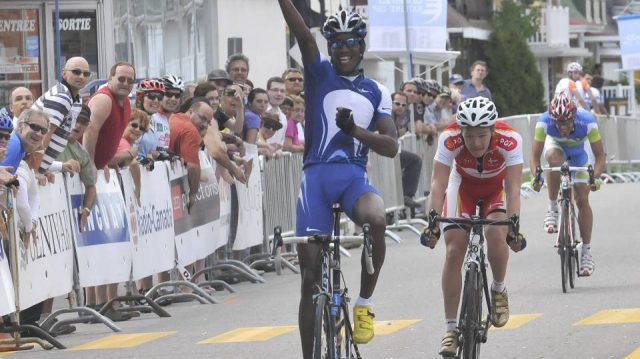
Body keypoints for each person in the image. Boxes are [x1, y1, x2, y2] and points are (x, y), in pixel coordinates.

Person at [278, 3, 399, 357]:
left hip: (353, 181)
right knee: (309, 279)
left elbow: (391, 146)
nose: (343, 49)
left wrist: (356, 131)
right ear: (329, 46)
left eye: (350, 42)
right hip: (314, 181)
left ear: (362, 46)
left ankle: (363, 304)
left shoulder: (376, 90)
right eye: (337, 43)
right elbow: (301, 32)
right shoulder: (317, 73)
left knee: (377, 218)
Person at [421, 97, 526, 357]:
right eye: (469, 136)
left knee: (495, 232)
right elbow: (438, 185)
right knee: (454, 250)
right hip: (463, 188)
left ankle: (499, 288)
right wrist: (432, 223)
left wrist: (514, 228)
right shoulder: (449, 138)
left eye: (482, 135)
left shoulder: (510, 139)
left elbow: (513, 189)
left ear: (493, 129)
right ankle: (450, 329)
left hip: (496, 189)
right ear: (461, 131)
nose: (476, 143)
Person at [529, 92, 604, 277]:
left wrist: (595, 176)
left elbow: (601, 155)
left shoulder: (587, 121)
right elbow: (534, 156)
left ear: (574, 116)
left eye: (567, 122)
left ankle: (586, 251)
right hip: (556, 148)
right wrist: (536, 176)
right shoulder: (544, 121)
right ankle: (553, 207)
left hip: (579, 155)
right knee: (554, 160)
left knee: (582, 199)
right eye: (559, 123)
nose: (563, 127)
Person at [32, 56, 90, 177]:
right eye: (76, 72)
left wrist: (45, 169)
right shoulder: (61, 96)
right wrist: (36, 170)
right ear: (64, 73)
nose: (81, 76)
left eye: (86, 73)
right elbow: (44, 135)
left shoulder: (77, 100)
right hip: (28, 166)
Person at [85, 61, 135, 170]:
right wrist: (90, 163)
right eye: (121, 79)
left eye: (130, 81)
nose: (126, 83)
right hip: (81, 169)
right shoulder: (104, 99)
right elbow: (89, 130)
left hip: (100, 168)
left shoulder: (126, 102)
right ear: (110, 78)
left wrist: (107, 162)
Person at [391, 92, 422, 209]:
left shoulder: (404, 115)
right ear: (391, 103)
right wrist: (399, 133)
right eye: (397, 104)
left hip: (391, 151)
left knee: (415, 160)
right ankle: (405, 196)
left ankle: (406, 196)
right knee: (415, 160)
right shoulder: (387, 114)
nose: (401, 107)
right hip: (380, 153)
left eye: (404, 105)